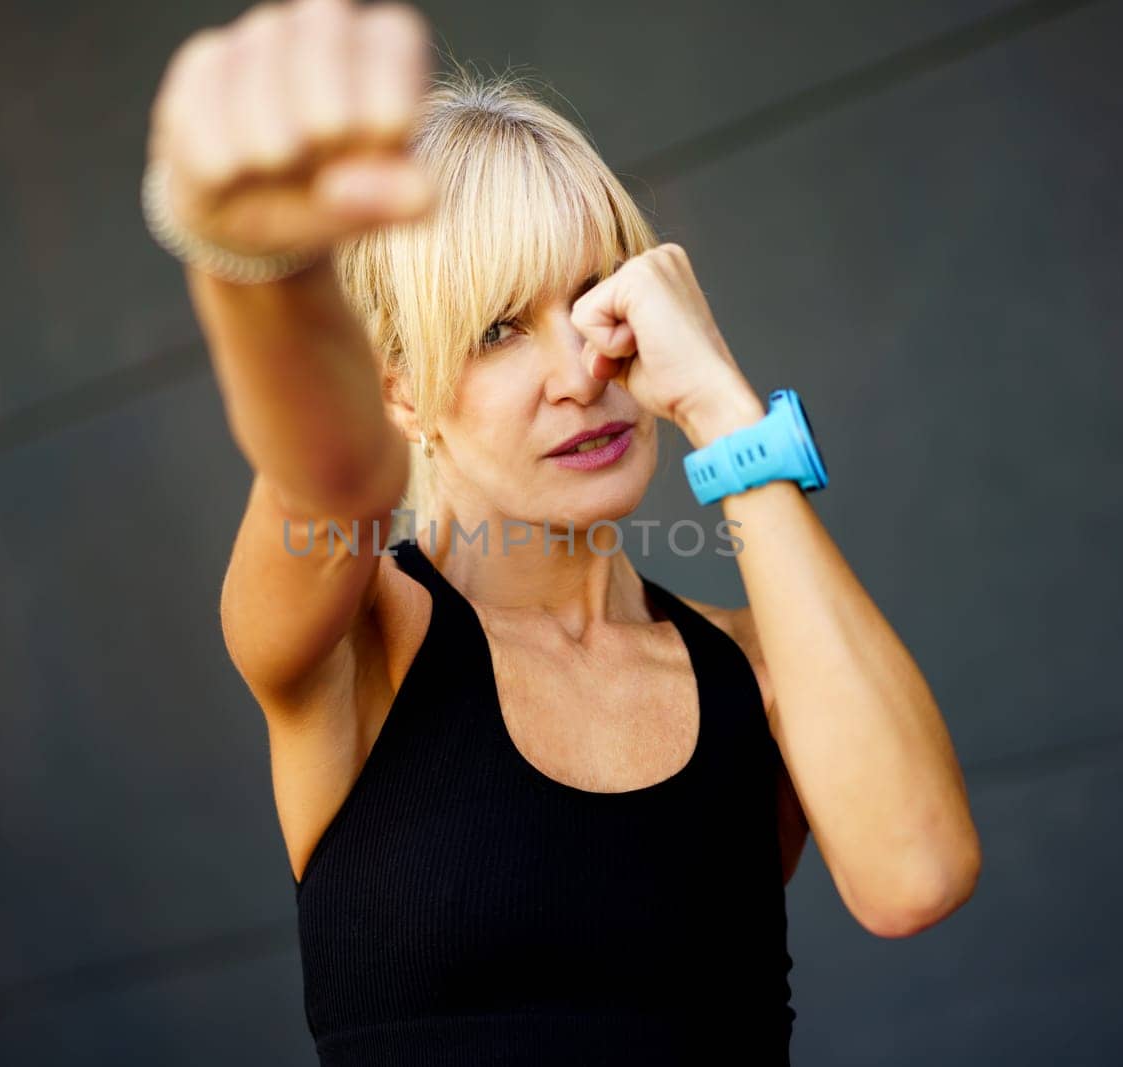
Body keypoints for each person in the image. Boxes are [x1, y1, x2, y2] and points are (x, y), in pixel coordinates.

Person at [143, 0, 982, 1062]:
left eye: (594, 297)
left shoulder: (760, 665)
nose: (581, 368)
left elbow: (917, 874)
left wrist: (721, 407)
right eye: (497, 328)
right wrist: (253, 269)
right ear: (398, 389)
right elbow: (331, 476)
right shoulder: (368, 636)